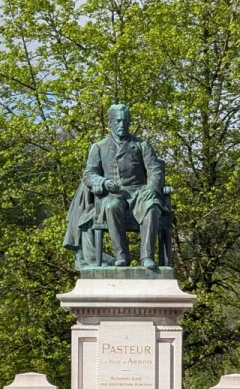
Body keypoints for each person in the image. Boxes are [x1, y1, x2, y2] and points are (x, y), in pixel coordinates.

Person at [63, 103, 165, 269]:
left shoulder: (142, 145)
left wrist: (151, 188)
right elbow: (89, 175)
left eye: (125, 121)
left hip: (138, 192)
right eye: (117, 121)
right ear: (110, 122)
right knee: (111, 206)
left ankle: (147, 257)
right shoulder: (99, 147)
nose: (121, 124)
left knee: (152, 206)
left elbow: (155, 170)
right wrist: (102, 182)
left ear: (129, 122)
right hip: (113, 193)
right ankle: (122, 255)